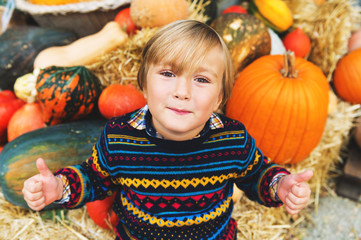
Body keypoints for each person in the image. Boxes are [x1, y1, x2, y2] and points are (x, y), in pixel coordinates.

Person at [22, 19, 313, 240]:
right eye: (168, 74)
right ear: (144, 86)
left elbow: (258, 174)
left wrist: (281, 185)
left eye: (201, 80)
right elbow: (93, 178)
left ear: (220, 98)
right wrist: (59, 187)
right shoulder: (120, 138)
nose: (182, 91)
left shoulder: (232, 139)